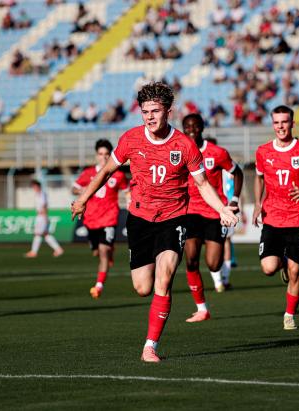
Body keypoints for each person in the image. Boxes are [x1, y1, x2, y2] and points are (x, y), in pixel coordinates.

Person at [71, 82, 238, 363]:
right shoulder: (130, 140)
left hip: (174, 219)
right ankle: (152, 326)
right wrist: (84, 199)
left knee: (164, 279)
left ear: (168, 112)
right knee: (142, 288)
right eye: (145, 111)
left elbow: (202, 183)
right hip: (140, 220)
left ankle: (150, 346)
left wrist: (222, 208)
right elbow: (105, 171)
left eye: (155, 111)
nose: (149, 116)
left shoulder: (184, 145)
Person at [252, 105, 299, 331]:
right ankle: (282, 262)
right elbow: (259, 178)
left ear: (292, 123)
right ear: (272, 124)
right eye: (276, 122)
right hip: (273, 216)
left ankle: (289, 315)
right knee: (268, 268)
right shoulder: (263, 152)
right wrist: (256, 204)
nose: (280, 126)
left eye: (284, 122)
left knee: (296, 271)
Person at [182, 113, 243, 323]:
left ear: (202, 128)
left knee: (214, 264)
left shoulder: (216, 153)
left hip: (214, 213)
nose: (191, 130)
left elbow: (238, 172)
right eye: (187, 127)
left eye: (195, 126)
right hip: (190, 213)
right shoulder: (178, 152)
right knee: (190, 259)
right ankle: (201, 308)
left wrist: (234, 200)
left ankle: (218, 276)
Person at [72, 139, 128, 299]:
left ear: (110, 155)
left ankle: (98, 286)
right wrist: (82, 190)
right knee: (96, 252)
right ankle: (109, 252)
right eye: (100, 154)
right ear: (96, 155)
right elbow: (74, 187)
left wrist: (130, 202)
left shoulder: (117, 175)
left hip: (109, 218)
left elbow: (127, 190)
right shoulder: (89, 173)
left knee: (103, 252)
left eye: (106, 154)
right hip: (90, 219)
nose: (103, 157)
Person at [25, 180, 64, 258]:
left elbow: (44, 205)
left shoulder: (41, 194)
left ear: (38, 186)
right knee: (46, 234)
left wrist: (45, 216)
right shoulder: (38, 194)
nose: (33, 188)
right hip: (40, 216)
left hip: (41, 216)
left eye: (34, 186)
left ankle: (34, 252)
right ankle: (58, 249)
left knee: (38, 234)